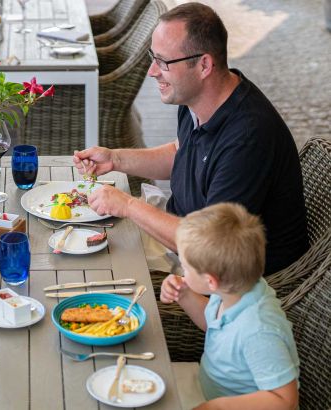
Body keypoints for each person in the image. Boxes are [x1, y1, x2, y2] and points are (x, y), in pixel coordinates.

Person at [73, 2, 308, 275]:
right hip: (181, 239)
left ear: (204, 65)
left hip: (228, 282)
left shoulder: (247, 138)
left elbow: (209, 247)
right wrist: (115, 159)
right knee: (81, 239)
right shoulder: (197, 100)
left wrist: (127, 205)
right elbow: (181, 152)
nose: (152, 71)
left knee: (93, 268)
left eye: (163, 62)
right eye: (153, 57)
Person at [160, 203, 299, 409]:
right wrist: (185, 294)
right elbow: (213, 324)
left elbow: (285, 400)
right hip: (208, 392)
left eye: (186, 267)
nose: (182, 271)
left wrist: (218, 406)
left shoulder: (259, 330)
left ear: (210, 281)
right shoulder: (233, 290)